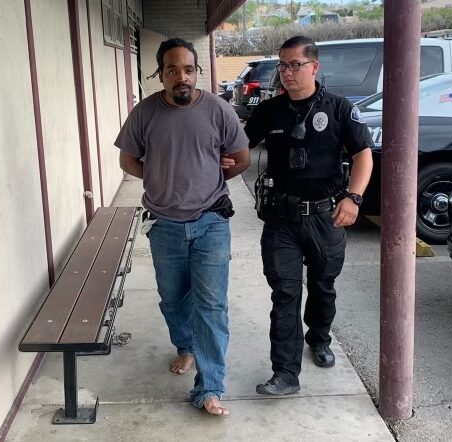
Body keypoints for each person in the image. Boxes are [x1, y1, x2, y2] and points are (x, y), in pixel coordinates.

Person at [115, 38, 250, 415]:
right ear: (160, 74)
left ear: (197, 72)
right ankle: (187, 347)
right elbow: (128, 160)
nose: (181, 77)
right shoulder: (144, 113)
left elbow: (241, 158)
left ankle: (210, 388)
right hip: (165, 224)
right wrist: (157, 176)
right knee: (173, 299)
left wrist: (219, 172)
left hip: (211, 221)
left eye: (188, 69)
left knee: (211, 304)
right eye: (172, 70)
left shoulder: (218, 110)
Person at [244, 36, 373, 395]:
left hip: (326, 216)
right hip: (281, 218)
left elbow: (364, 153)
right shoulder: (269, 112)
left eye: (294, 65)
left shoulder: (338, 108)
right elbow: (240, 146)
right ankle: (285, 374)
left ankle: (319, 337)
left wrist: (354, 198)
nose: (286, 72)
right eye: (282, 65)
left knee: (322, 286)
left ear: (314, 66)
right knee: (284, 294)